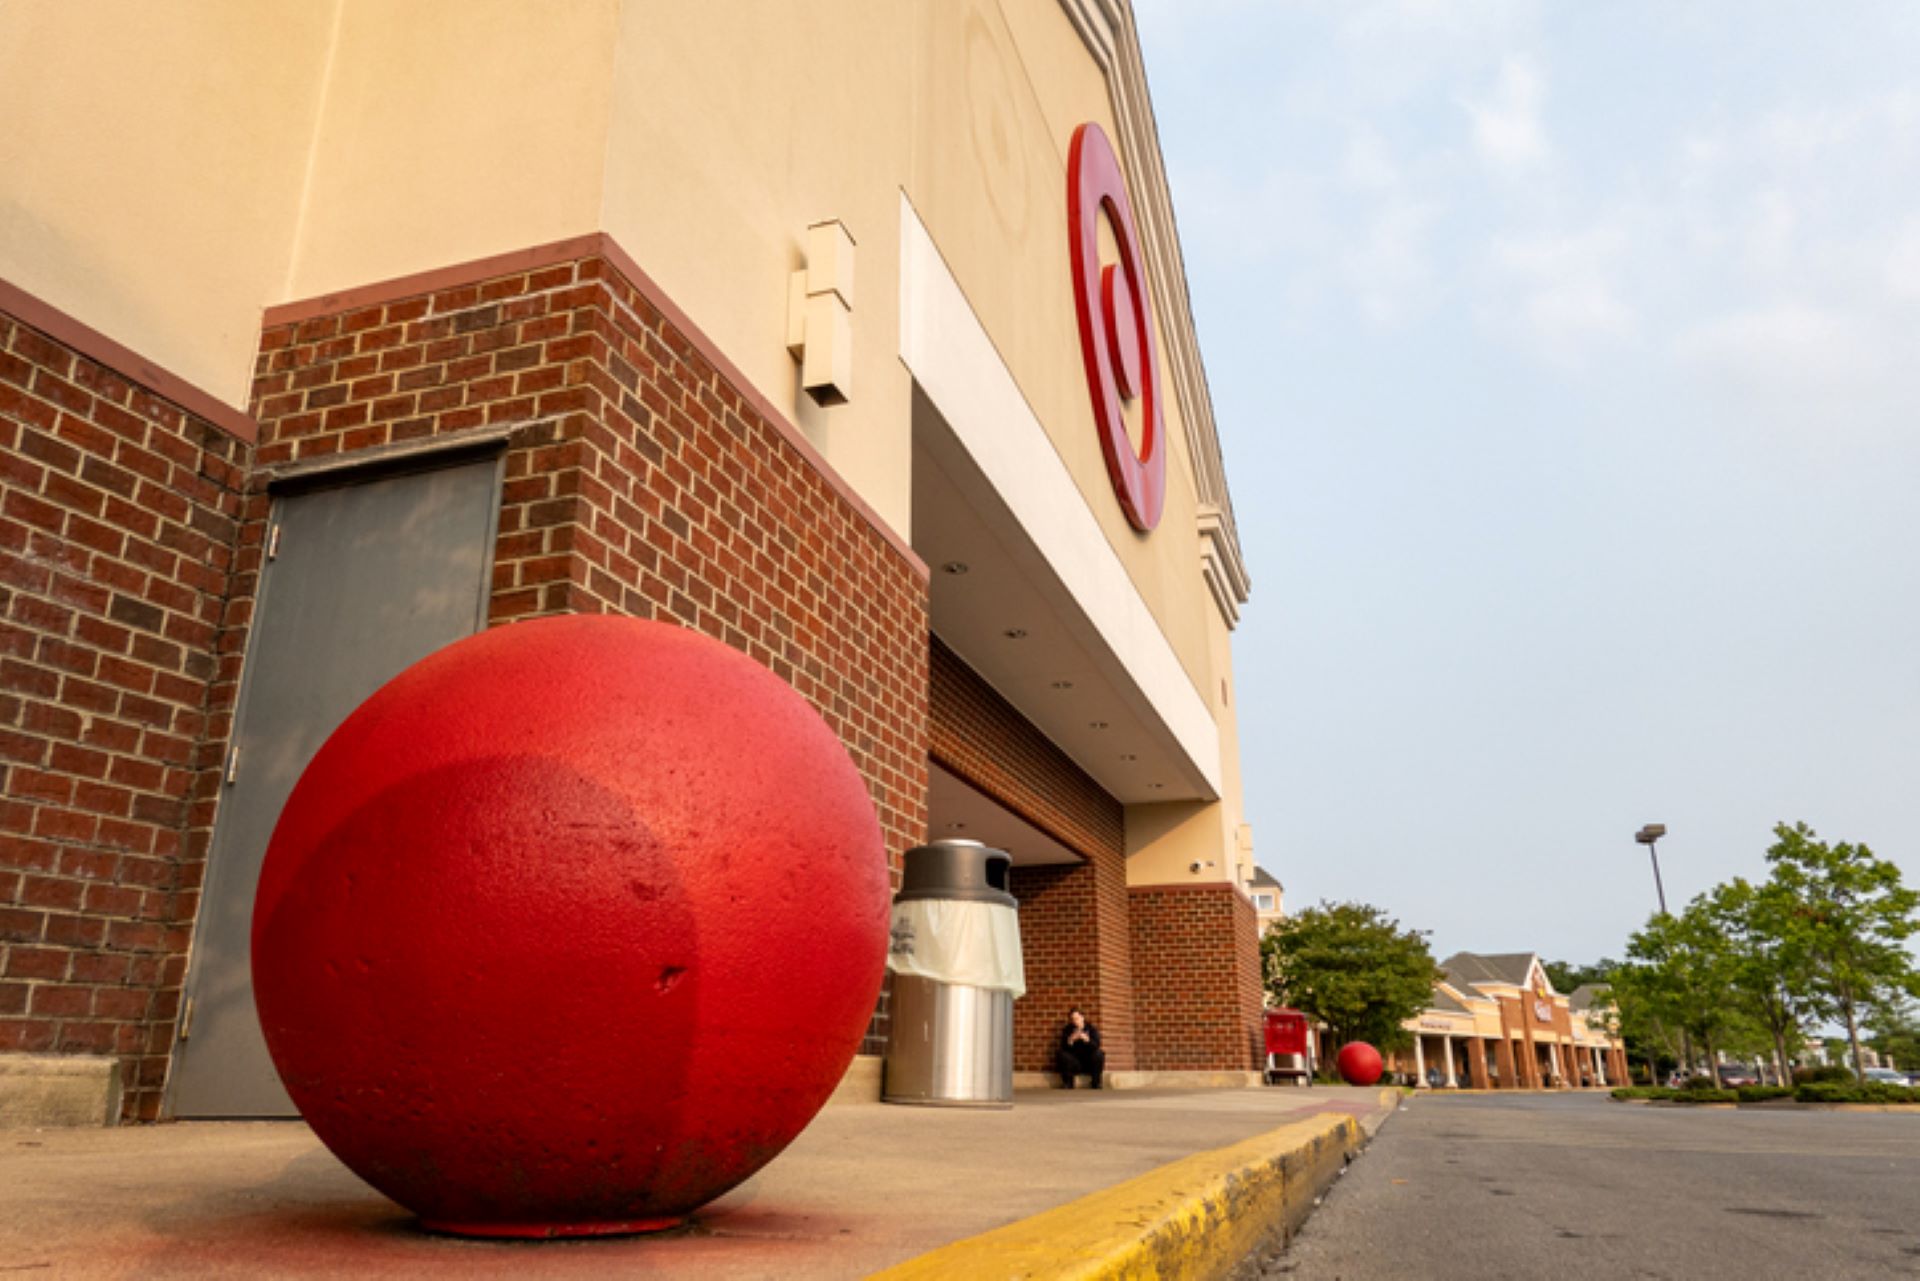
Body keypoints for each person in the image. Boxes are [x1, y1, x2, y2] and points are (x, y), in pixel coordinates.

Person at [1055, 1008, 1105, 1089]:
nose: (1075, 1021)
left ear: (1082, 1018)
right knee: (1062, 1054)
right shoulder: (1068, 1030)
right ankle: (1068, 1083)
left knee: (1099, 1054)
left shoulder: (1091, 1029)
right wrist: (1070, 1040)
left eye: (1077, 1018)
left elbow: (1096, 1045)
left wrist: (1087, 1040)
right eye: (1073, 1019)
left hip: (1089, 1061)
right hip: (1075, 1062)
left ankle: (1096, 1083)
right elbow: (1063, 1047)